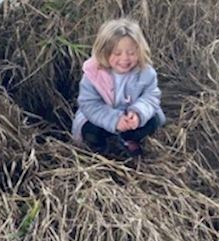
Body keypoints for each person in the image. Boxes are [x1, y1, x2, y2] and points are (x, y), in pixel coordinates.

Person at [71, 18, 166, 158]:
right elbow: (89, 104)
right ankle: (110, 145)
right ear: (104, 52)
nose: (125, 59)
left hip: (132, 121)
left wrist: (138, 114)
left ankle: (129, 140)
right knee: (90, 132)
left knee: (154, 121)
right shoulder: (93, 74)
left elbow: (151, 97)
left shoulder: (146, 72)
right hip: (102, 119)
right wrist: (114, 120)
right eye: (117, 53)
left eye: (132, 53)